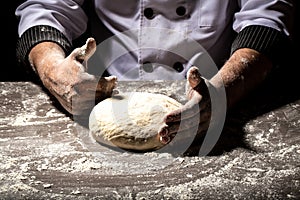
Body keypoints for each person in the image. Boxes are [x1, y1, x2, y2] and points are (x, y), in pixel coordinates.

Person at [15, 1, 295, 146]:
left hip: (212, 81)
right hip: (111, 94)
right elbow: (46, 8)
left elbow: (267, 17)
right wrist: (54, 70)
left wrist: (223, 90)